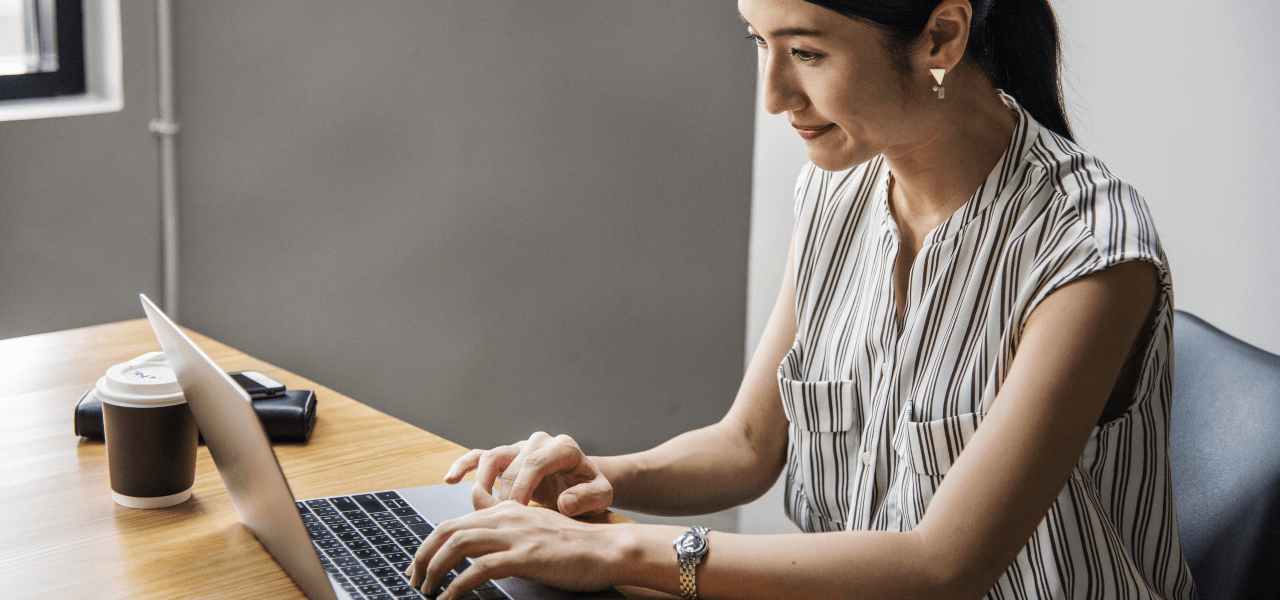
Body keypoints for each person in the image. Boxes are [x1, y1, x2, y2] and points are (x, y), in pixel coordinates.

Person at [406, 0, 1199, 597]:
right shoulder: (839, 190)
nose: (774, 95)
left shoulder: (1089, 253)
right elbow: (749, 443)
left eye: (807, 52)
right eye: (759, 42)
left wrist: (616, 552)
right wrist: (598, 479)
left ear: (942, 37)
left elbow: (941, 567)